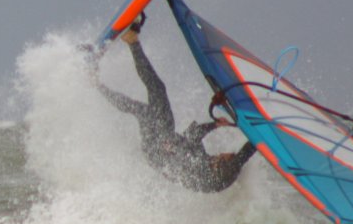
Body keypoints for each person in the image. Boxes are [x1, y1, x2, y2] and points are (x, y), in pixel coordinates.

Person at [84, 15, 256, 192]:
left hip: (156, 150)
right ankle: (131, 41)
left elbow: (241, 157)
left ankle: (97, 83)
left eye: (228, 156)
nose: (224, 153)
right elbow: (193, 134)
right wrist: (215, 124)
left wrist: (259, 136)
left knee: (142, 109)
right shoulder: (205, 161)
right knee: (158, 89)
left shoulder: (208, 174)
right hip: (166, 137)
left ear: (223, 165)